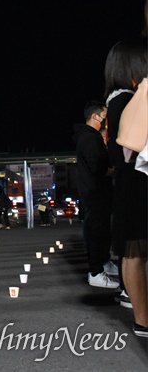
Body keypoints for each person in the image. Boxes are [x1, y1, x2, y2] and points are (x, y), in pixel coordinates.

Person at [104, 38, 148, 337]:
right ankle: (143, 319)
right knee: (134, 250)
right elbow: (127, 150)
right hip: (136, 183)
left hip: (134, 182)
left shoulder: (122, 98)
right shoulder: (124, 99)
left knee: (137, 250)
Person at [74, 101, 117, 289]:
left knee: (101, 231)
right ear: (95, 116)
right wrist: (113, 171)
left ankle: (103, 262)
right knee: (97, 232)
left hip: (94, 192)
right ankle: (96, 272)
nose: (105, 120)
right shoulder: (90, 138)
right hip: (95, 192)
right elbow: (97, 167)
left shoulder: (86, 136)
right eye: (104, 116)